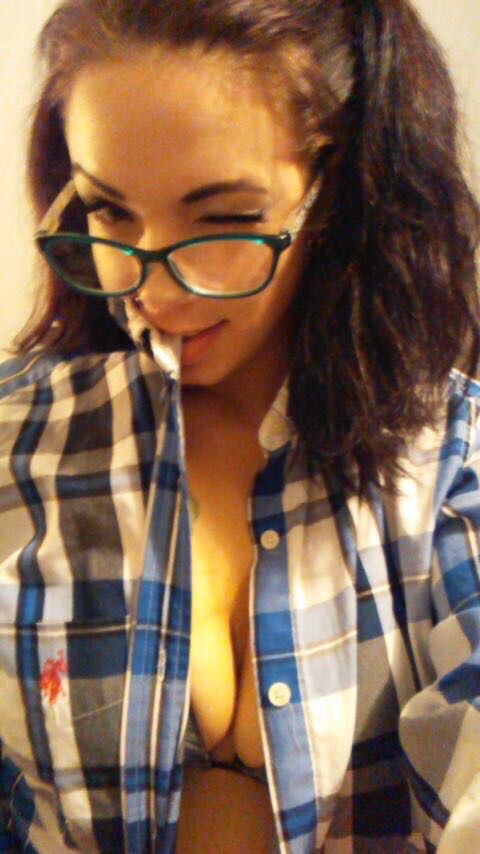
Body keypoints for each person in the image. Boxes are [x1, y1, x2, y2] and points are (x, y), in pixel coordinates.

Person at [0, 0, 479, 851]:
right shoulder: (18, 441)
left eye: (224, 219)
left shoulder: (448, 458)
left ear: (339, 189)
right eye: (109, 211)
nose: (155, 290)